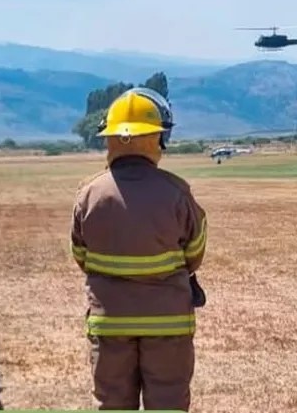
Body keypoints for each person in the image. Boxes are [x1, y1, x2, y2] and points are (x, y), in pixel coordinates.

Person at [70, 87, 207, 412]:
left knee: (112, 403)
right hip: (168, 325)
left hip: (110, 324)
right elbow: (195, 252)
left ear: (109, 138)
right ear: (157, 138)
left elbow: (81, 255)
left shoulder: (89, 194)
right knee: (168, 403)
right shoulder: (177, 191)